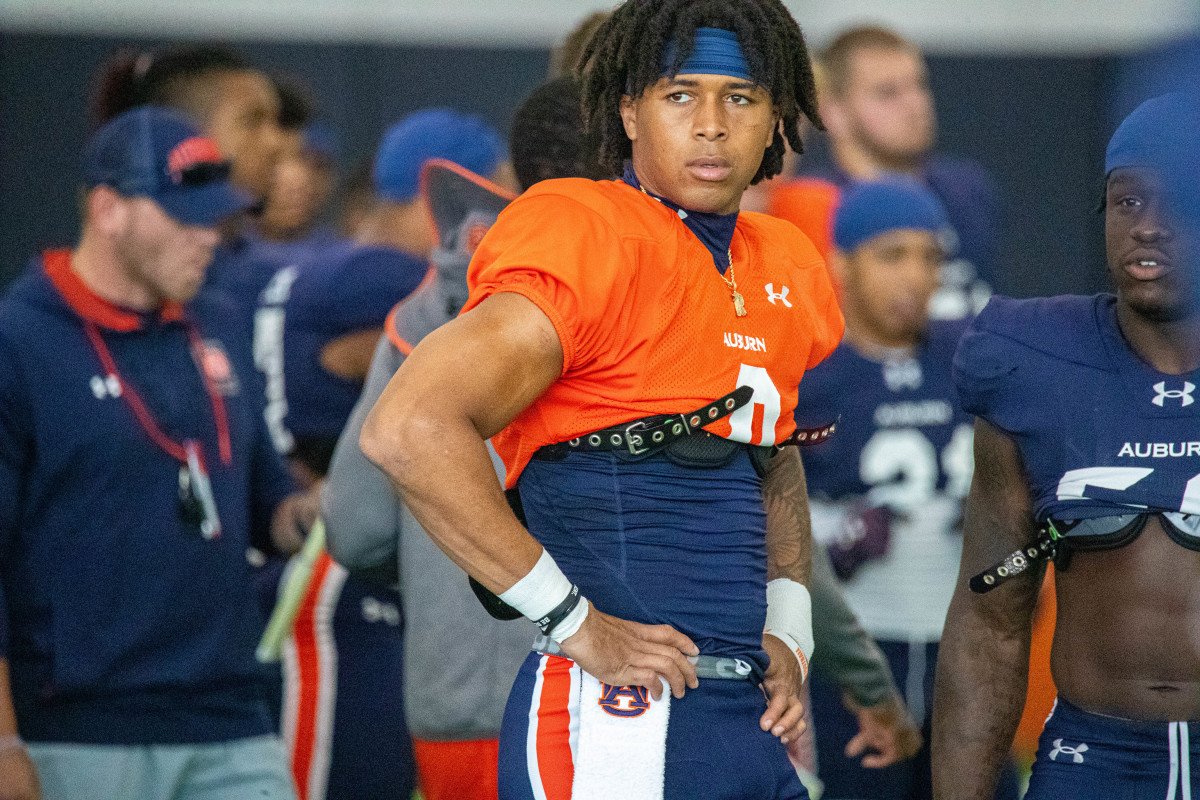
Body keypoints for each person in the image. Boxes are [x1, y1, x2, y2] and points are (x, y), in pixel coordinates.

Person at [360, 1, 844, 797]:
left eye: (742, 97)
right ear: (628, 110)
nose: (713, 125)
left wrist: (791, 632)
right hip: (617, 717)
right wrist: (575, 623)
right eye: (680, 94)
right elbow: (407, 428)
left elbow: (771, 451)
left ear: (776, 118)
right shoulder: (584, 229)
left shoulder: (782, 261)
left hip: (744, 713)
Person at [0, 106, 307, 800]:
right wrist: (4, 740)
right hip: (77, 729)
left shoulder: (219, 324)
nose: (209, 236)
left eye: (216, 217)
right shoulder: (18, 344)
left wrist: (322, 508)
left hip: (231, 718)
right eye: (185, 216)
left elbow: (270, 511)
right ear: (109, 209)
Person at [932, 93, 1200, 798]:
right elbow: (990, 620)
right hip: (1095, 757)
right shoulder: (1035, 363)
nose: (1149, 228)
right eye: (1128, 203)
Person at [792, 179, 1016, 799]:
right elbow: (767, 514)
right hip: (857, 650)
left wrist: (997, 522)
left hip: (965, 642)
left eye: (929, 257)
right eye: (892, 255)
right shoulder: (812, 377)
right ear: (842, 262)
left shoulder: (972, 362)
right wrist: (838, 536)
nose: (915, 276)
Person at [324, 157, 523, 800]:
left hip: (452, 708)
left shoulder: (417, 320)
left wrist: (442, 570)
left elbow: (356, 530)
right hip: (609, 704)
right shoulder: (637, 293)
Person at [254, 107, 508, 483]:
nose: (500, 226)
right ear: (445, 196)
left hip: (279, 492)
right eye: (496, 206)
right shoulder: (394, 277)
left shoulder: (325, 265)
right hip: (312, 507)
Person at [770, 26, 1000, 320]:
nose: (915, 104)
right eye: (887, 93)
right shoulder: (812, 206)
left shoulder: (966, 190)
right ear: (833, 113)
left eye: (920, 85)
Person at [91, 44, 286, 324]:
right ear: (183, 133)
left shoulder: (251, 265)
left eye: (276, 122)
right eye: (251, 122)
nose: (276, 143)